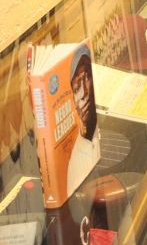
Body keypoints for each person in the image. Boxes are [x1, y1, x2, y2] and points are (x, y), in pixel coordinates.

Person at [66, 51, 101, 198]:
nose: (84, 93)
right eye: (77, 86)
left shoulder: (99, 135)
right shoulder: (75, 163)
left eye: (87, 78)